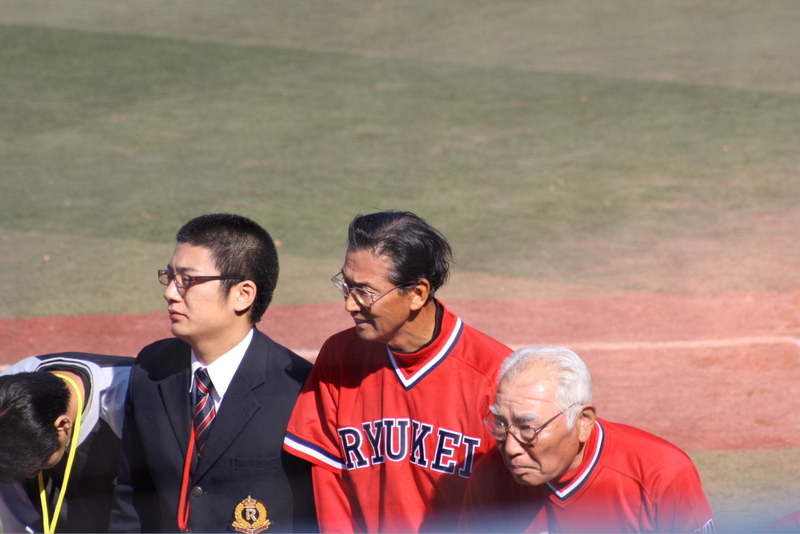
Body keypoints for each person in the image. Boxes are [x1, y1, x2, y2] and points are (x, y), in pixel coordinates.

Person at [283, 210, 512, 532]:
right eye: (346, 286)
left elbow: (512, 499)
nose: (350, 304)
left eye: (365, 291)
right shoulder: (340, 356)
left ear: (417, 293)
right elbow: (328, 479)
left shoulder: (495, 375)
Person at [110, 213, 315, 533]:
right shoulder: (152, 369)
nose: (170, 293)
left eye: (188, 280)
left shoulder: (297, 388)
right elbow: (132, 494)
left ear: (243, 294)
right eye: (170, 277)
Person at [462, 345, 715, 533]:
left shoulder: (660, 475)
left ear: (583, 422)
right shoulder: (490, 475)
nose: (510, 447)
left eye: (527, 428)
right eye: (501, 423)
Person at [0, 352, 132, 533]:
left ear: (63, 425)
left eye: (35, 466)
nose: (31, 473)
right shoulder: (8, 389)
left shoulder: (129, 400)